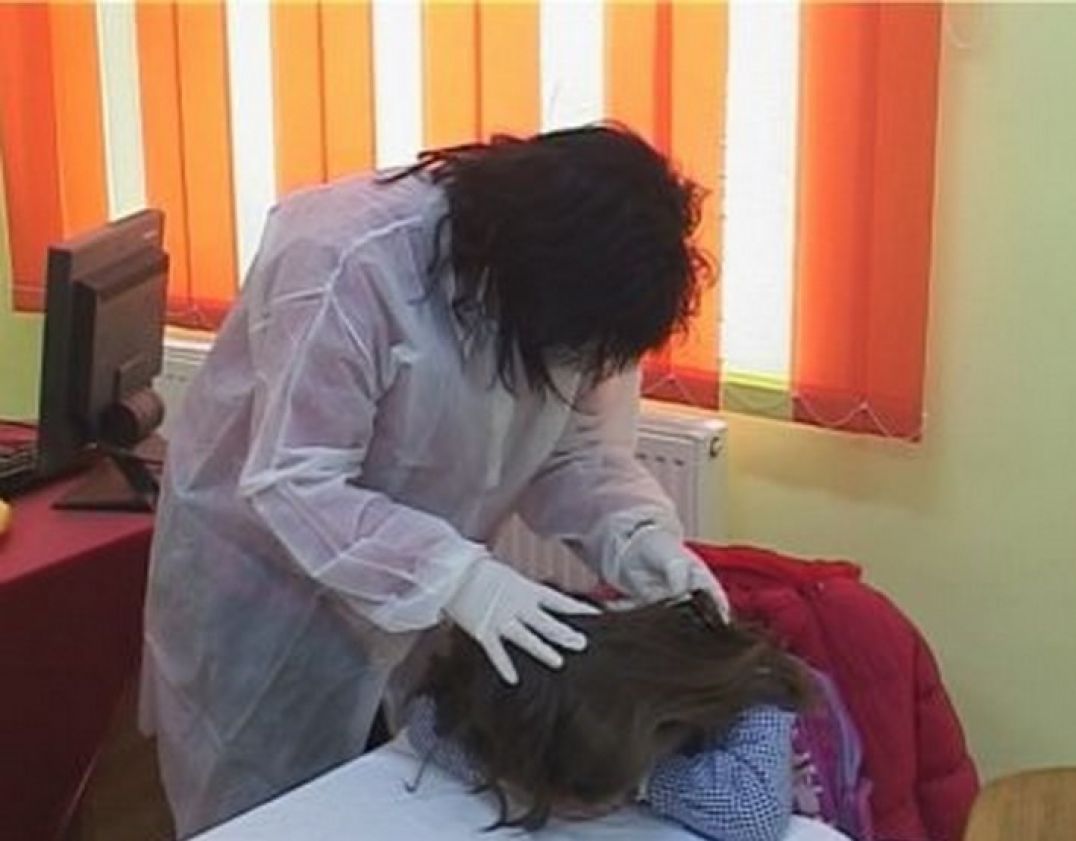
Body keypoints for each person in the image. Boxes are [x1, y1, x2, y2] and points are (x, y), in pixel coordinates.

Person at [139, 124, 730, 836]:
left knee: (387, 794)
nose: (572, 366)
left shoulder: (591, 292)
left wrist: (638, 538)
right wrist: (457, 577)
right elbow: (294, 479)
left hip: (411, 583)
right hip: (265, 585)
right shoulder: (345, 259)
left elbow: (573, 451)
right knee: (260, 808)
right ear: (518, 272)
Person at [404, 591, 866, 841]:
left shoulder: (754, 694)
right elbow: (425, 720)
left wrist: (638, 780)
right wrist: (518, 771)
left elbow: (756, 817)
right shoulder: (559, 691)